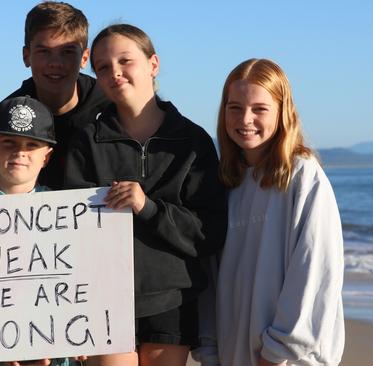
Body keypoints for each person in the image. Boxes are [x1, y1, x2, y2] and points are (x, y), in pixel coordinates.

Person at [64, 24, 227, 366]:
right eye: (103, 67)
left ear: (153, 64)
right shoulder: (86, 142)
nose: (115, 72)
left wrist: (148, 208)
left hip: (171, 301)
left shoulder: (192, 142)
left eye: (125, 60)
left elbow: (208, 232)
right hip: (102, 298)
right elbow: (69, 232)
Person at [194, 58, 345, 366]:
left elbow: (315, 270)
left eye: (259, 109)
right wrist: (209, 349)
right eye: (234, 107)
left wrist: (278, 352)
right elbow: (209, 273)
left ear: (282, 111)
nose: (245, 118)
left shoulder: (301, 175)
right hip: (232, 354)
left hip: (289, 359)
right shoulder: (225, 181)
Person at [0, 96, 81, 366]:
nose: (20, 152)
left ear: (46, 157)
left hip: (53, 350)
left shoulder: (65, 213)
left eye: (31, 145)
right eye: (9, 142)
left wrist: (85, 334)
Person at [0, 1, 109, 190]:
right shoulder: (7, 117)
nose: (55, 63)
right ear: (26, 56)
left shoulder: (111, 108)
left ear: (84, 58)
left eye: (67, 52)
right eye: (44, 51)